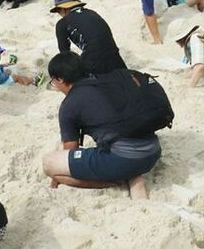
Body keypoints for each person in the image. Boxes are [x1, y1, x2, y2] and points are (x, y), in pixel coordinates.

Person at [41, 52, 161, 199]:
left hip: (124, 158)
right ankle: (132, 175)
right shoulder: (106, 81)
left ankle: (116, 180)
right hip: (152, 152)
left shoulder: (69, 105)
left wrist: (56, 177)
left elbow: (70, 151)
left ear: (60, 79)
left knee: (49, 163)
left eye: (54, 82)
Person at [51, 0, 126, 76]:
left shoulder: (62, 23)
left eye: (58, 11)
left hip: (94, 65)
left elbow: (65, 53)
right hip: (115, 58)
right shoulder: (92, 13)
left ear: (63, 9)